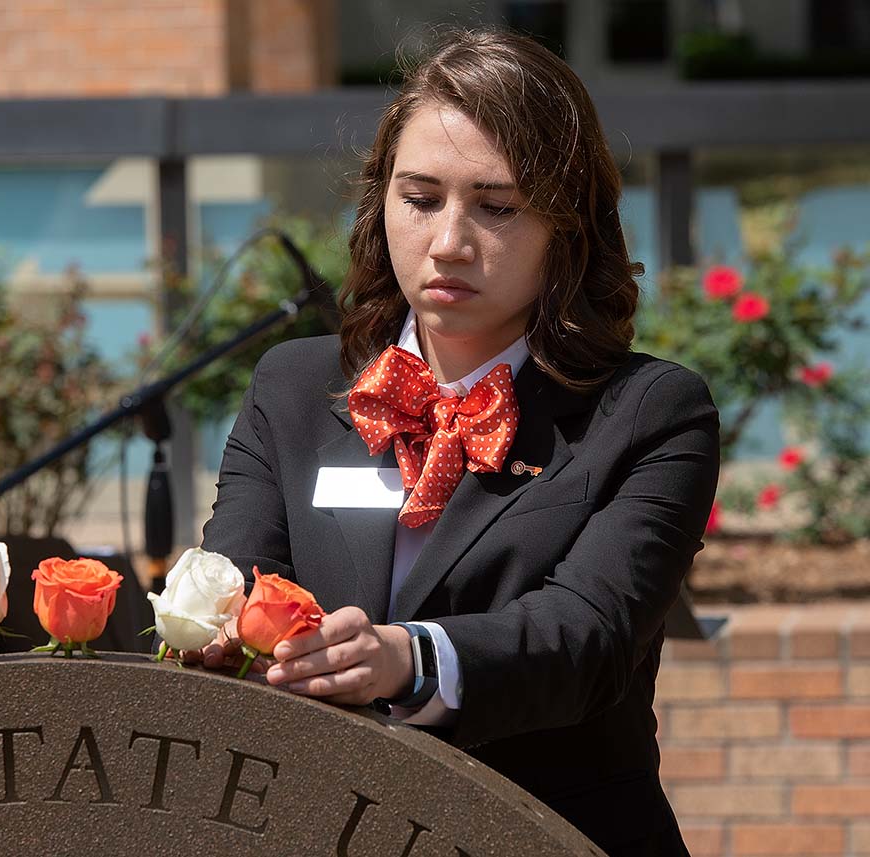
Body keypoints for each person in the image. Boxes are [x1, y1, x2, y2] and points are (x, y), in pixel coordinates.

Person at [187, 28, 719, 857]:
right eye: (421, 197)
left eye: (496, 206)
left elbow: (586, 638)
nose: (448, 242)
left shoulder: (650, 412)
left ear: (568, 226)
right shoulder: (292, 389)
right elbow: (240, 581)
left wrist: (405, 659)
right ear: (381, 202)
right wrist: (218, 633)